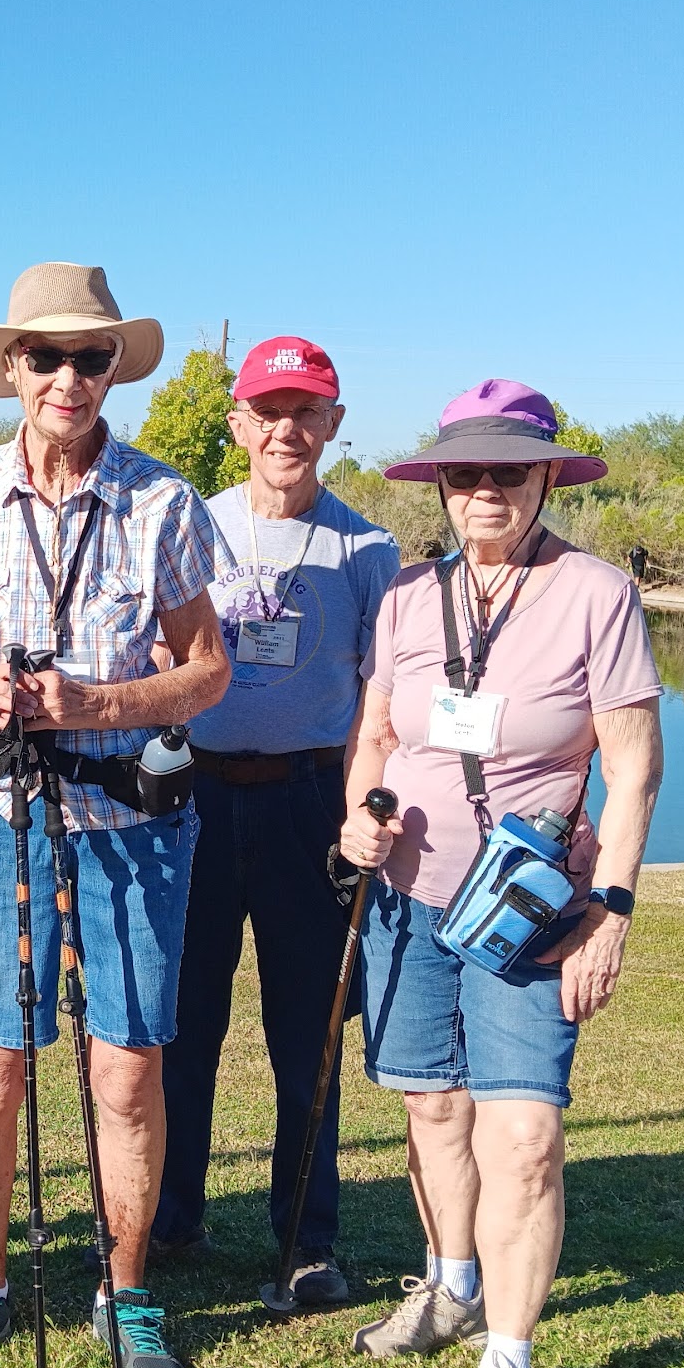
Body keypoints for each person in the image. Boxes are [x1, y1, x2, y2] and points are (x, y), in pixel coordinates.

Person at [336, 378, 663, 1368]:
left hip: (529, 909)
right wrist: (355, 812)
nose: (484, 491)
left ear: (542, 481)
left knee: (522, 1137)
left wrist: (609, 908)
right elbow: (376, 732)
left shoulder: (593, 594)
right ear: (440, 485)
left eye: (506, 473)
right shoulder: (404, 597)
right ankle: (447, 1282)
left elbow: (630, 765)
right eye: (464, 473)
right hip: (411, 895)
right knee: (432, 1105)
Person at [0, 261, 230, 1368]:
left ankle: (126, 1287)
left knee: (127, 1067)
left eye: (88, 357)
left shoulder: (164, 502)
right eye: (44, 356)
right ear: (11, 370)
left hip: (130, 821)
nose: (66, 376)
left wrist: (98, 706)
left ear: (111, 371)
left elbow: (207, 672)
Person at [155, 336, 399, 1303]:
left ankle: (306, 1242)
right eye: (268, 411)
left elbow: (382, 702)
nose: (285, 430)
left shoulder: (368, 550)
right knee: (184, 1027)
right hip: (198, 799)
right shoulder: (191, 528)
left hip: (309, 809)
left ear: (332, 425)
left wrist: (360, 815)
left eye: (306, 412)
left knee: (309, 1036)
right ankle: (170, 1219)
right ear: (237, 425)